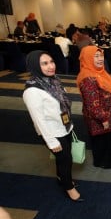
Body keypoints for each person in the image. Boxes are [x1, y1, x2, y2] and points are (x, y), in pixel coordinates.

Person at [22, 50, 83, 202]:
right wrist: (51, 141)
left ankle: (61, 177)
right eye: (44, 63)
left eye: (51, 61)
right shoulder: (32, 91)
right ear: (35, 66)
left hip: (64, 127)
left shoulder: (52, 81)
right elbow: (38, 120)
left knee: (63, 159)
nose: (51, 66)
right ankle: (68, 187)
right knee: (66, 159)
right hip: (53, 133)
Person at [77, 46, 111, 168]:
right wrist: (104, 119)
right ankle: (104, 162)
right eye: (96, 56)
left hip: (109, 113)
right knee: (102, 141)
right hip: (100, 117)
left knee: (109, 138)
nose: (100, 59)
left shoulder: (100, 72)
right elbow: (92, 104)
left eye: (101, 55)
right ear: (87, 58)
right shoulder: (87, 78)